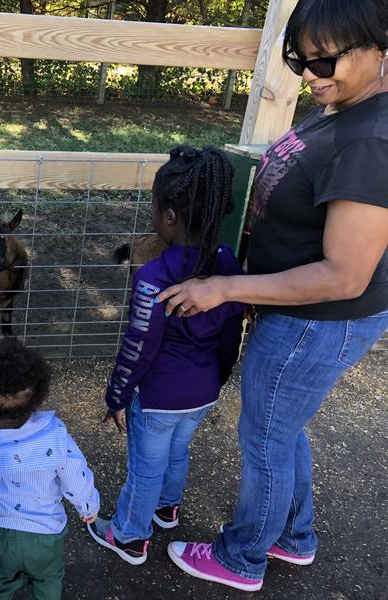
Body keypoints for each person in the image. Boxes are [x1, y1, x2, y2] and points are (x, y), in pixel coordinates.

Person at [160, 0, 388, 592]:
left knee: (264, 439)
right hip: (294, 310)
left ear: (378, 47)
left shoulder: (370, 141)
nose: (309, 75)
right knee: (281, 427)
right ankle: (294, 535)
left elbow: (344, 275)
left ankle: (242, 558)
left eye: (325, 60)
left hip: (316, 320)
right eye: (299, 59)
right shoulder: (343, 103)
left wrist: (225, 288)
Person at [86, 146, 246, 566]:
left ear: (169, 216)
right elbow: (232, 333)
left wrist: (116, 396)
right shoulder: (228, 264)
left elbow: (138, 346)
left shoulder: (154, 276)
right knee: (179, 450)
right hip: (204, 389)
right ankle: (167, 507)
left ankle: (129, 536)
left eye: (154, 208)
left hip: (159, 395)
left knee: (145, 467)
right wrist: (218, 376)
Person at [0, 338, 100, 600]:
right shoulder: (54, 434)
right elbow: (75, 476)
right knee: (48, 579)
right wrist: (88, 507)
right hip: (45, 535)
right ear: (38, 395)